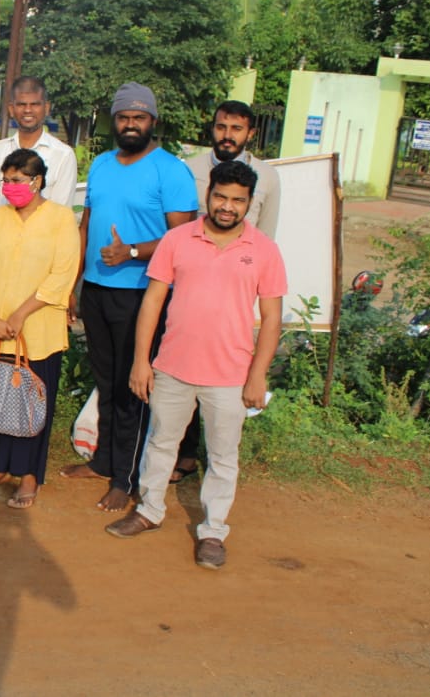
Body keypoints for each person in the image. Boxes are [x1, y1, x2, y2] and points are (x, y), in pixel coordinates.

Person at [105, 161, 286, 570]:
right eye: (221, 196)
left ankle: (213, 531)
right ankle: (150, 510)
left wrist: (257, 374)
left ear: (249, 203)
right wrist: (141, 361)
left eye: (238, 200)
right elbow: (152, 301)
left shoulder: (264, 250)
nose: (227, 206)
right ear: (209, 195)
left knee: (223, 456)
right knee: (161, 442)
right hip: (172, 367)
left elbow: (273, 318)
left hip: (231, 375)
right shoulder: (177, 239)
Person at [61, 82, 197, 512]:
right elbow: (87, 226)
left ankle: (127, 477)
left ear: (152, 122)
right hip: (99, 290)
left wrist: (133, 252)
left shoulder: (171, 170)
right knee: (106, 382)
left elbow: (183, 237)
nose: (131, 124)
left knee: (132, 387)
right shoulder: (101, 165)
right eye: (124, 117)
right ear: (113, 122)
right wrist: (74, 285)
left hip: (143, 294)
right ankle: (103, 462)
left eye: (139, 118)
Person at [172, 100, 282, 482]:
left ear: (249, 133)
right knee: (182, 370)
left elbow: (266, 234)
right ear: (213, 128)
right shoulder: (190, 170)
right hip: (190, 285)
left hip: (236, 291)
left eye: (236, 129)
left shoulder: (267, 177)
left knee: (224, 377)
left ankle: (214, 458)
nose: (227, 135)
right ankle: (182, 455)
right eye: (221, 127)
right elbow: (181, 227)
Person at [0, 149, 80, 508]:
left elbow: (63, 272)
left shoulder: (62, 218)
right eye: (6, 180)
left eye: (17, 180)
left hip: (39, 329)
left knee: (31, 403)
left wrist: (20, 315)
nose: (10, 187)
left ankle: (28, 474)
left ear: (37, 181)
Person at [0, 76, 78, 214]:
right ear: (11, 109)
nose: (28, 110)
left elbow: (61, 212)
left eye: (35, 104)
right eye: (21, 104)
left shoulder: (63, 155)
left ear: (46, 108)